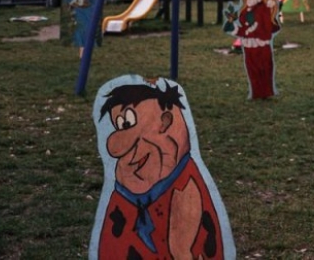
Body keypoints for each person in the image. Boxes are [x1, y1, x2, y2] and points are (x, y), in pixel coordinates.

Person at [92, 77, 231, 259]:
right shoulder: (125, 193)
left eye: (128, 123)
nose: (114, 146)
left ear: (165, 122)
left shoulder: (183, 185)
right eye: (119, 125)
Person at [223, 0, 281, 99]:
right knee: (252, 70)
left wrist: (251, 28)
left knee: (263, 70)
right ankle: (256, 92)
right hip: (249, 46)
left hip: (261, 46)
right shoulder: (247, 7)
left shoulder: (264, 7)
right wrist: (233, 26)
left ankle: (265, 92)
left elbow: (266, 30)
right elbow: (244, 28)